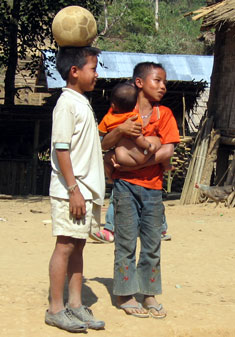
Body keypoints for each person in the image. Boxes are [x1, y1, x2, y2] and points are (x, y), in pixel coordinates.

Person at [100, 62, 180, 318]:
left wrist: (129, 161)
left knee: (152, 243)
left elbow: (168, 150)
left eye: (164, 82)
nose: (162, 86)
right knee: (124, 241)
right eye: (157, 80)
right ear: (139, 83)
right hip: (125, 187)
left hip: (153, 189)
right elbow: (105, 144)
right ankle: (124, 293)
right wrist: (126, 133)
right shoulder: (122, 110)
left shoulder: (164, 114)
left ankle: (148, 293)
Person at [45, 46, 106, 332]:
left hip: (84, 190)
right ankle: (56, 309)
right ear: (74, 71)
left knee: (79, 245)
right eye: (92, 69)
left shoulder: (81, 102)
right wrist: (73, 190)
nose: (96, 75)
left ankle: (75, 304)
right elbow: (61, 149)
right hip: (72, 191)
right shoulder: (66, 104)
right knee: (65, 245)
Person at [99, 82, 171, 182]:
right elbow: (137, 135)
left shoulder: (109, 117)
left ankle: (109, 179)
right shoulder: (134, 116)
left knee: (107, 158)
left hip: (123, 158)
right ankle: (162, 160)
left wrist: (132, 167)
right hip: (142, 155)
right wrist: (121, 129)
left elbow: (100, 135)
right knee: (155, 140)